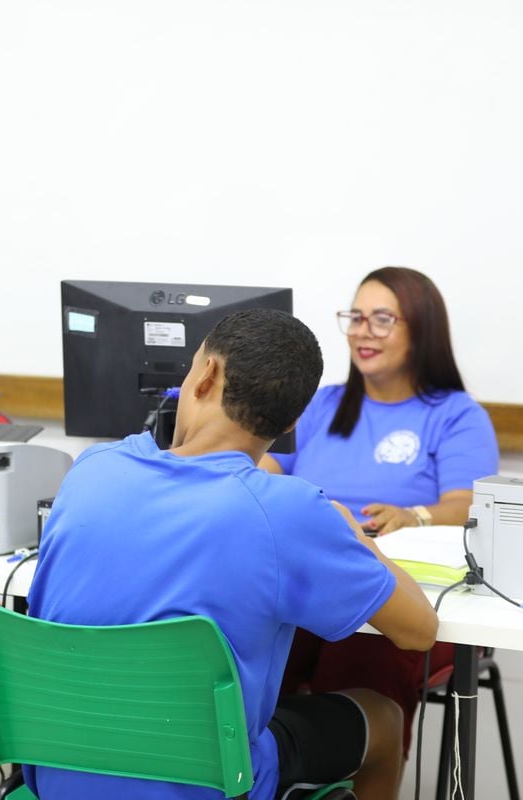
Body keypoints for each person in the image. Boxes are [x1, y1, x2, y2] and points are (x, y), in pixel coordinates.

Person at [26, 308, 439, 800]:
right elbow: (419, 631)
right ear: (290, 422)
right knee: (384, 717)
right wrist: (357, 536)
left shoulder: (91, 471)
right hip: (208, 784)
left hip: (57, 774)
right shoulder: (291, 513)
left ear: (205, 376)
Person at [261, 266, 499, 759]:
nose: (362, 331)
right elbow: (264, 468)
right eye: (355, 317)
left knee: (358, 655)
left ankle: (359, 767)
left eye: (382, 319)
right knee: (252, 634)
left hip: (396, 591)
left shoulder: (456, 415)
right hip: (306, 579)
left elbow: (467, 505)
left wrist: (414, 516)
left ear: (421, 330)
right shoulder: (319, 405)